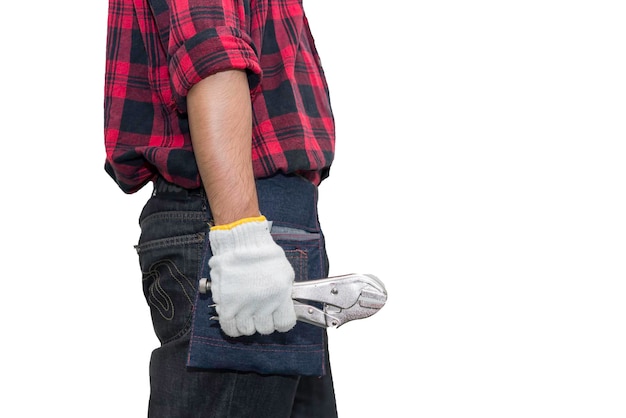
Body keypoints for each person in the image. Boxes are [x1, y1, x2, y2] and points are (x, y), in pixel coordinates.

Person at [104, 0, 338, 416]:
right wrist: (242, 240)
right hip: (234, 220)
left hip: (266, 220)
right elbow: (212, 56)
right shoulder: (242, 238)